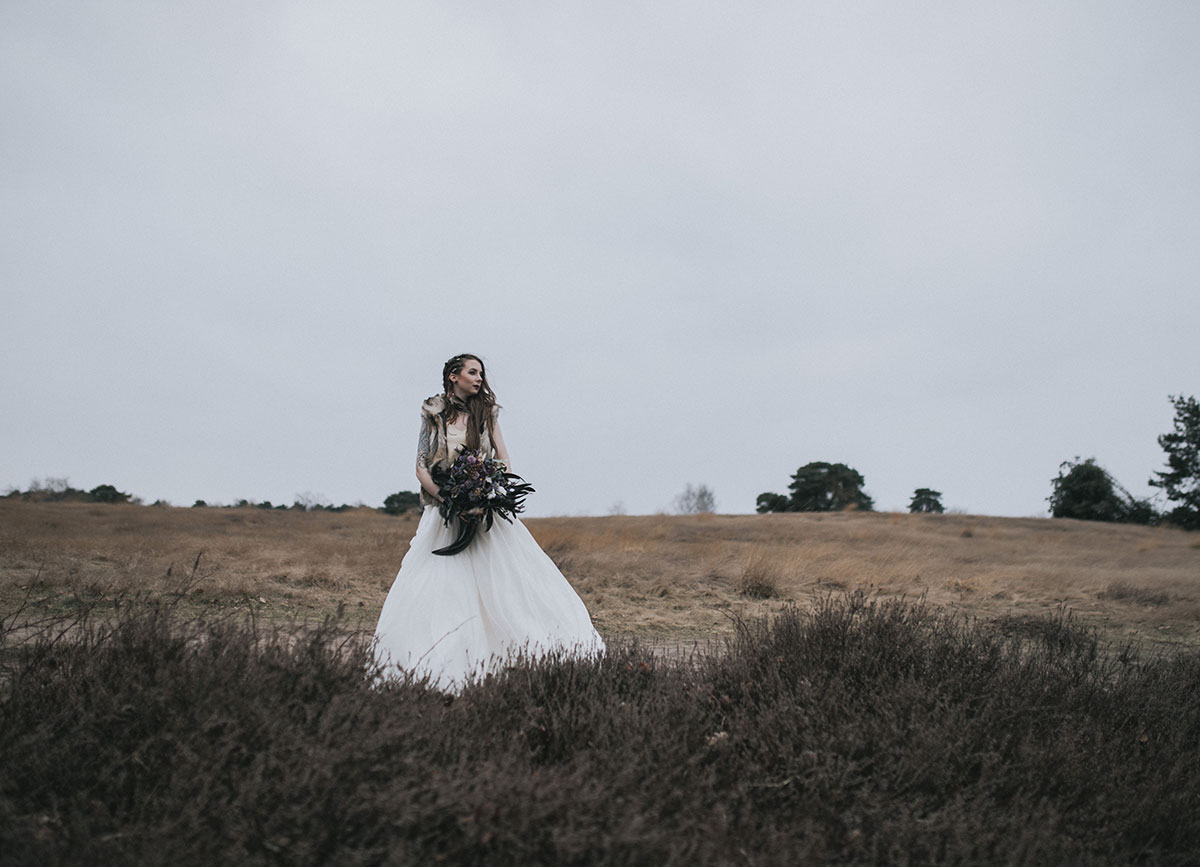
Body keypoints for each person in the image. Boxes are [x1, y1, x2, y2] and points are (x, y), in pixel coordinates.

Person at [373, 353, 604, 690]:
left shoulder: (487, 413)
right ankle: (440, 661)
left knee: (512, 581)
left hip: (486, 512)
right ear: (453, 376)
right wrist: (446, 498)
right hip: (444, 514)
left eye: (481, 373)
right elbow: (421, 465)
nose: (479, 378)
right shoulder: (432, 414)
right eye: (472, 372)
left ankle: (524, 657)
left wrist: (491, 492)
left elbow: (503, 458)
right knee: (441, 584)